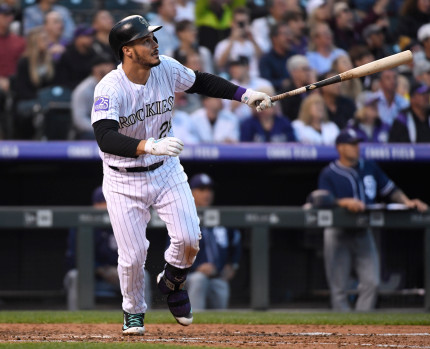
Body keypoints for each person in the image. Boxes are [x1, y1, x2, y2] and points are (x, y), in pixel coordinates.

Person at [91, 15, 273, 335]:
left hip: (165, 170)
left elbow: (201, 81)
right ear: (127, 50)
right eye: (145, 40)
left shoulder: (166, 68)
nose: (154, 43)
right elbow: (105, 137)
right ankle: (133, 311)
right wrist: (149, 145)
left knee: (189, 238)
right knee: (133, 257)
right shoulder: (109, 87)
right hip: (123, 178)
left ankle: (173, 283)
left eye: (152, 38)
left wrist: (244, 94)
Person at [318, 129, 428, 311]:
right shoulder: (329, 172)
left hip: (363, 230)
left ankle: (361, 326)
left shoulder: (369, 166)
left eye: (357, 144)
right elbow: (322, 200)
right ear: (340, 148)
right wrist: (343, 202)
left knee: (372, 282)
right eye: (352, 144)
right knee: (338, 287)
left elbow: (390, 189)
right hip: (338, 231)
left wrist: (407, 201)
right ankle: (342, 330)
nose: (356, 148)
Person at [63, 186, 152, 311]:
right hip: (91, 277)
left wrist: (120, 269)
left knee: (142, 274)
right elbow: (73, 259)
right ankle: (75, 320)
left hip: (119, 275)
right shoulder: (82, 224)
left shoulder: (126, 224)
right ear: (95, 205)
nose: (107, 206)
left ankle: (142, 316)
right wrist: (100, 269)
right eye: (103, 203)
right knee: (75, 275)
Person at [185, 173, 242, 310]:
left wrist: (233, 265)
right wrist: (196, 266)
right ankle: (193, 325)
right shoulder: (184, 218)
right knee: (199, 279)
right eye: (201, 189)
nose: (207, 194)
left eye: (209, 190)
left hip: (217, 276)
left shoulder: (220, 218)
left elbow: (236, 240)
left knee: (221, 285)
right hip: (190, 277)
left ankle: (218, 329)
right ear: (191, 192)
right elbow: (171, 250)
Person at [14, 26, 56, 139]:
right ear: (35, 42)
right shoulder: (24, 62)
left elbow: (54, 86)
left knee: (56, 109)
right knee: (38, 109)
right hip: (28, 101)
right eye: (44, 39)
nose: (47, 42)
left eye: (47, 39)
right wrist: (40, 99)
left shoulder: (51, 62)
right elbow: (21, 90)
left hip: (47, 100)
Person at [71, 54, 115, 140]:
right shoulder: (83, 90)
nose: (110, 67)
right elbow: (79, 120)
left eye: (110, 64)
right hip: (91, 132)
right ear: (95, 68)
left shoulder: (114, 86)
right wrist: (101, 130)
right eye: (105, 64)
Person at [214, 6, 262, 78]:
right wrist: (232, 40)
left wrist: (252, 39)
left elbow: (263, 59)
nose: (241, 26)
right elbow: (220, 65)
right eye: (239, 23)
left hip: (255, 79)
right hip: (234, 82)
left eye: (244, 22)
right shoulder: (223, 44)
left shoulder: (255, 41)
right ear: (232, 23)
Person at [55, 24, 97, 90]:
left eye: (91, 36)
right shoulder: (67, 54)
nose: (90, 39)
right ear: (77, 38)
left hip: (89, 90)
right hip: (69, 91)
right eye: (87, 36)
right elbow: (63, 81)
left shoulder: (93, 53)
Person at [258, 22, 296, 92]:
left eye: (290, 34)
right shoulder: (266, 59)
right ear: (274, 38)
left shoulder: (294, 55)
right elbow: (265, 82)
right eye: (285, 34)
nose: (289, 38)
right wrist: (281, 83)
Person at [280, 54, 316, 121]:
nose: (308, 73)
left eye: (309, 69)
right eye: (305, 69)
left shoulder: (310, 89)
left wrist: (314, 85)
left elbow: (318, 105)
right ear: (294, 72)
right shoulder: (287, 93)